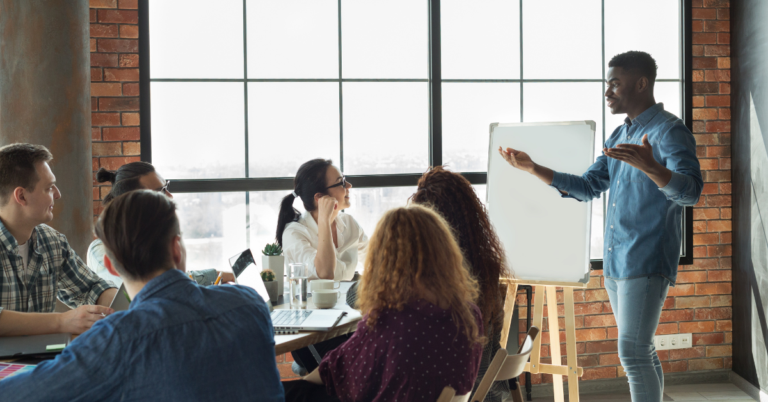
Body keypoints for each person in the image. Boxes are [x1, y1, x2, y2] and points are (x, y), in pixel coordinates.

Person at [498, 51, 702, 402]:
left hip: (648, 258)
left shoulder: (669, 130)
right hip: (616, 261)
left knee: (632, 352)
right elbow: (588, 186)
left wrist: (653, 167)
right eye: (607, 84)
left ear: (641, 83)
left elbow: (691, 192)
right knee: (641, 350)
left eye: (615, 83)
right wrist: (534, 168)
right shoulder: (620, 133)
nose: (607, 92)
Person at [0, 190, 285, 401]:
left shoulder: (118, 337)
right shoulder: (249, 303)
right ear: (177, 249)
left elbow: (22, 394)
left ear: (110, 265)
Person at [283, 205, 486, 402]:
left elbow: (340, 373)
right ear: (445, 252)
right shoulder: (469, 315)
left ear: (384, 259)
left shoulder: (389, 321)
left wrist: (300, 385)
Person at [410, 166, 514, 402]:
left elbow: (357, 297)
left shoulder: (425, 271)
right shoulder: (486, 265)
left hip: (443, 392)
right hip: (484, 390)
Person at [0, 143, 116, 337]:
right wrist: (62, 321)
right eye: (49, 188)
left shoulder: (52, 241)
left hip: (41, 363)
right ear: (21, 196)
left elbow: (92, 289)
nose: (58, 194)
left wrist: (125, 306)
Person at [90, 162, 232, 287]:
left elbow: (175, 278)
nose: (170, 196)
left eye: (167, 186)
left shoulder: (150, 235)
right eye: (161, 191)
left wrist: (224, 276)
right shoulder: (101, 249)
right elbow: (163, 284)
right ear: (134, 201)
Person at [277, 159, 367, 281]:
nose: (349, 186)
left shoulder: (349, 223)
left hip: (345, 300)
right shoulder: (294, 233)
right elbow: (325, 272)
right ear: (320, 197)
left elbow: (375, 261)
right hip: (308, 300)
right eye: (341, 182)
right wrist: (324, 220)